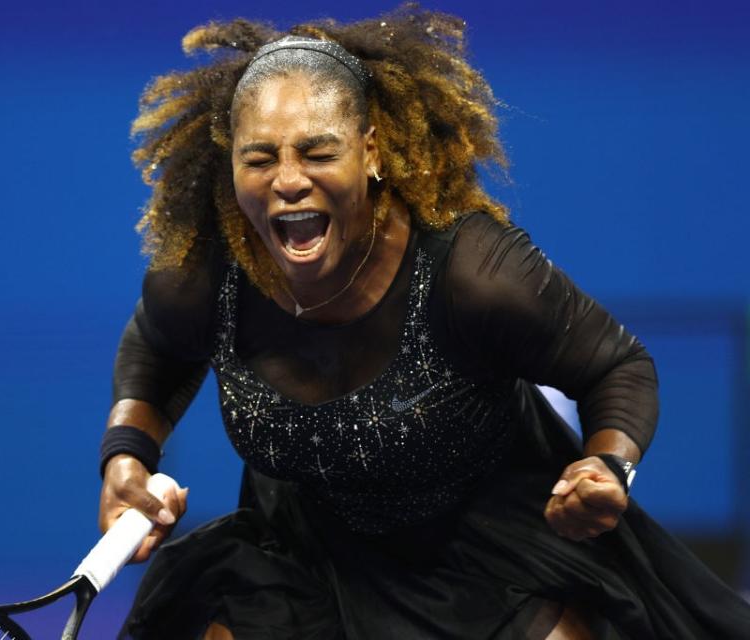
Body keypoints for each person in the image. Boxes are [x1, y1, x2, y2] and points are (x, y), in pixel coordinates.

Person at [95, 6, 750, 639]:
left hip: (489, 554)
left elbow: (617, 367)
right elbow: (154, 352)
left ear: (371, 152)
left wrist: (609, 465)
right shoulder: (205, 276)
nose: (287, 180)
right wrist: (126, 455)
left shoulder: (478, 275)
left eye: (317, 152)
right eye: (259, 158)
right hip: (298, 559)